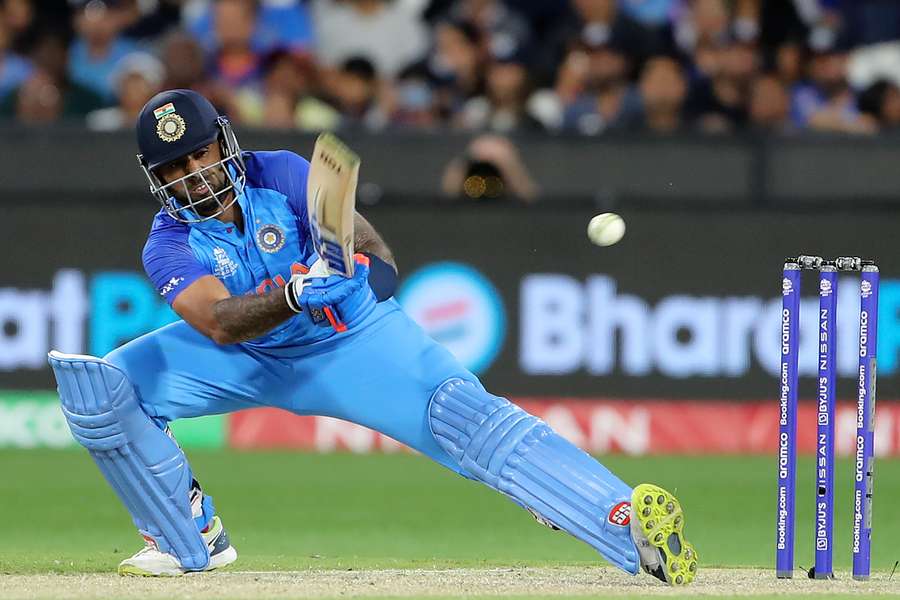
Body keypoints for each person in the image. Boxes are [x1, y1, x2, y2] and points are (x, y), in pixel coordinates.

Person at [47, 89, 697, 586]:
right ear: (154, 177)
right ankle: (186, 534)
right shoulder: (167, 243)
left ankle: (624, 524)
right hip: (243, 356)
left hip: (350, 342)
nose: (194, 174)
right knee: (105, 387)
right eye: (175, 166)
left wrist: (358, 276)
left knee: (464, 417)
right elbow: (217, 321)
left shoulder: (284, 173)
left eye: (199, 154)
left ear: (223, 143)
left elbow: (375, 253)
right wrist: (296, 293)